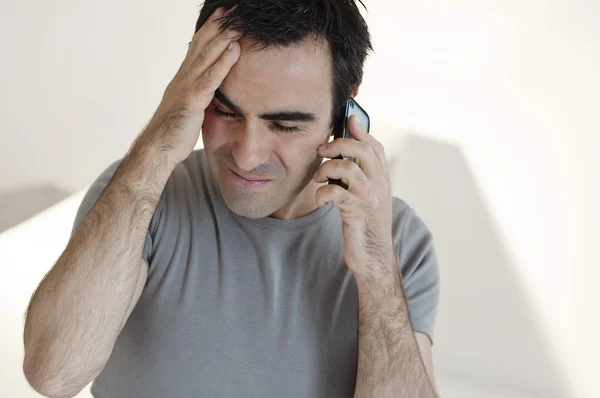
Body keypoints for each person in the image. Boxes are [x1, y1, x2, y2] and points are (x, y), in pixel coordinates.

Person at [23, 1, 440, 397]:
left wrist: (377, 268)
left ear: (343, 108)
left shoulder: (397, 239)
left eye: (284, 125)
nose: (247, 154)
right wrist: (155, 150)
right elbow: (53, 374)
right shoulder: (138, 197)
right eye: (225, 111)